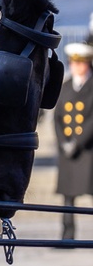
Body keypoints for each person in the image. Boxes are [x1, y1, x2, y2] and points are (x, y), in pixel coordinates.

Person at [53, 43, 93, 240]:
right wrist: (64, 143)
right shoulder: (66, 86)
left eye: (81, 63)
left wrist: (78, 142)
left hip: (88, 149)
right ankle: (67, 237)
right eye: (74, 63)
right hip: (67, 150)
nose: (77, 67)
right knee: (67, 196)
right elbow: (58, 118)